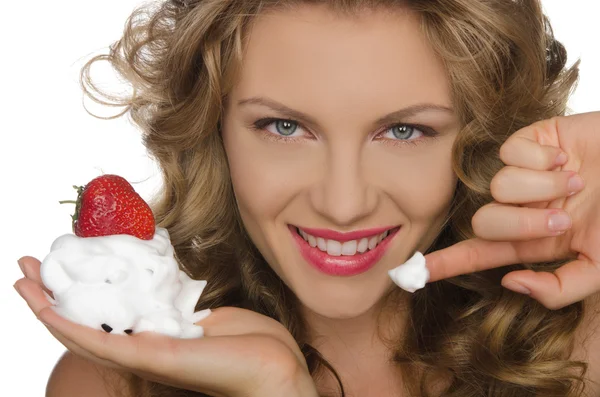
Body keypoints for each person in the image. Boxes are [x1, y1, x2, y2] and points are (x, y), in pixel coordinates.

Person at [13, 0, 600, 396]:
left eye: (404, 131)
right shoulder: (111, 381)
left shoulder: (580, 344)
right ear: (211, 127)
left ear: (480, 137)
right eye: (284, 128)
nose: (343, 205)